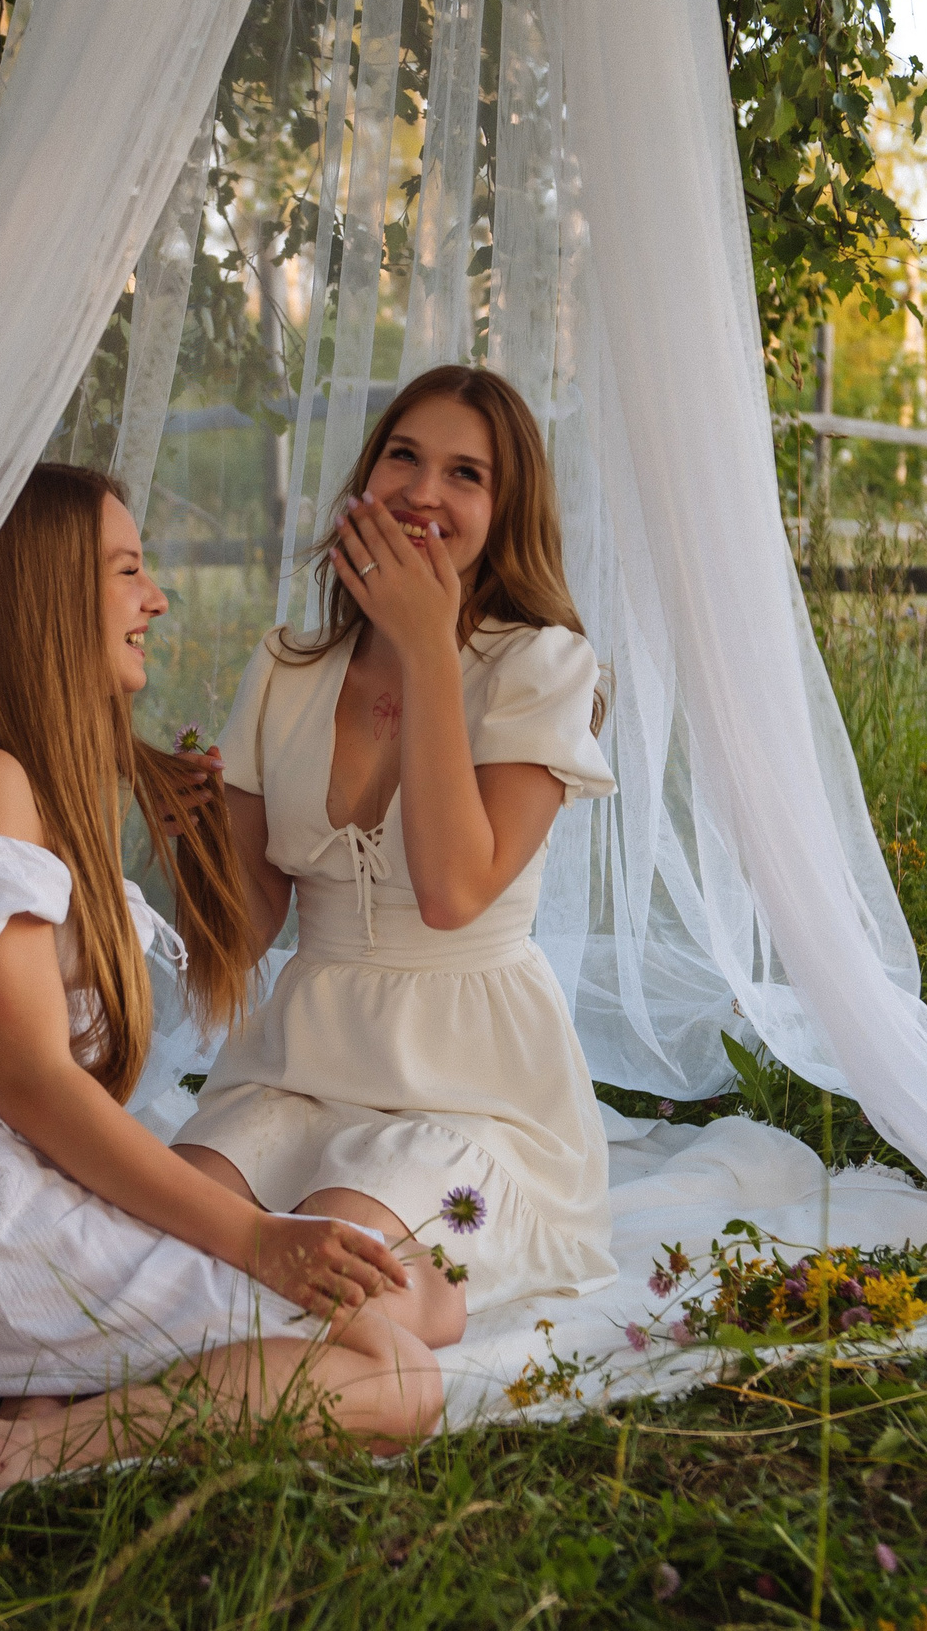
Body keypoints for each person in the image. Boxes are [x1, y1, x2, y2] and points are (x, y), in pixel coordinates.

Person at [0, 466, 441, 1532]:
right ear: (45, 596)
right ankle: (9, 1446)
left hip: (33, 1174)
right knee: (398, 1376)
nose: (155, 597)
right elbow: (30, 1086)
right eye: (126, 570)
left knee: (419, 1288)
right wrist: (251, 1236)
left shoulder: (22, 777)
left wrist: (157, 801)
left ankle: (42, 1387)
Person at [171, 365, 617, 1349]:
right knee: (161, 1245)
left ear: (505, 513)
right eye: (403, 456)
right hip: (295, 1069)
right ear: (364, 480)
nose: (424, 490)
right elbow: (244, 930)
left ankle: (400, 1332)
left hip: (470, 1092)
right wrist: (193, 835)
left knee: (337, 1271)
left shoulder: (539, 664)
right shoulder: (286, 664)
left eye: (466, 473)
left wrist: (425, 646)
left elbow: (455, 891)